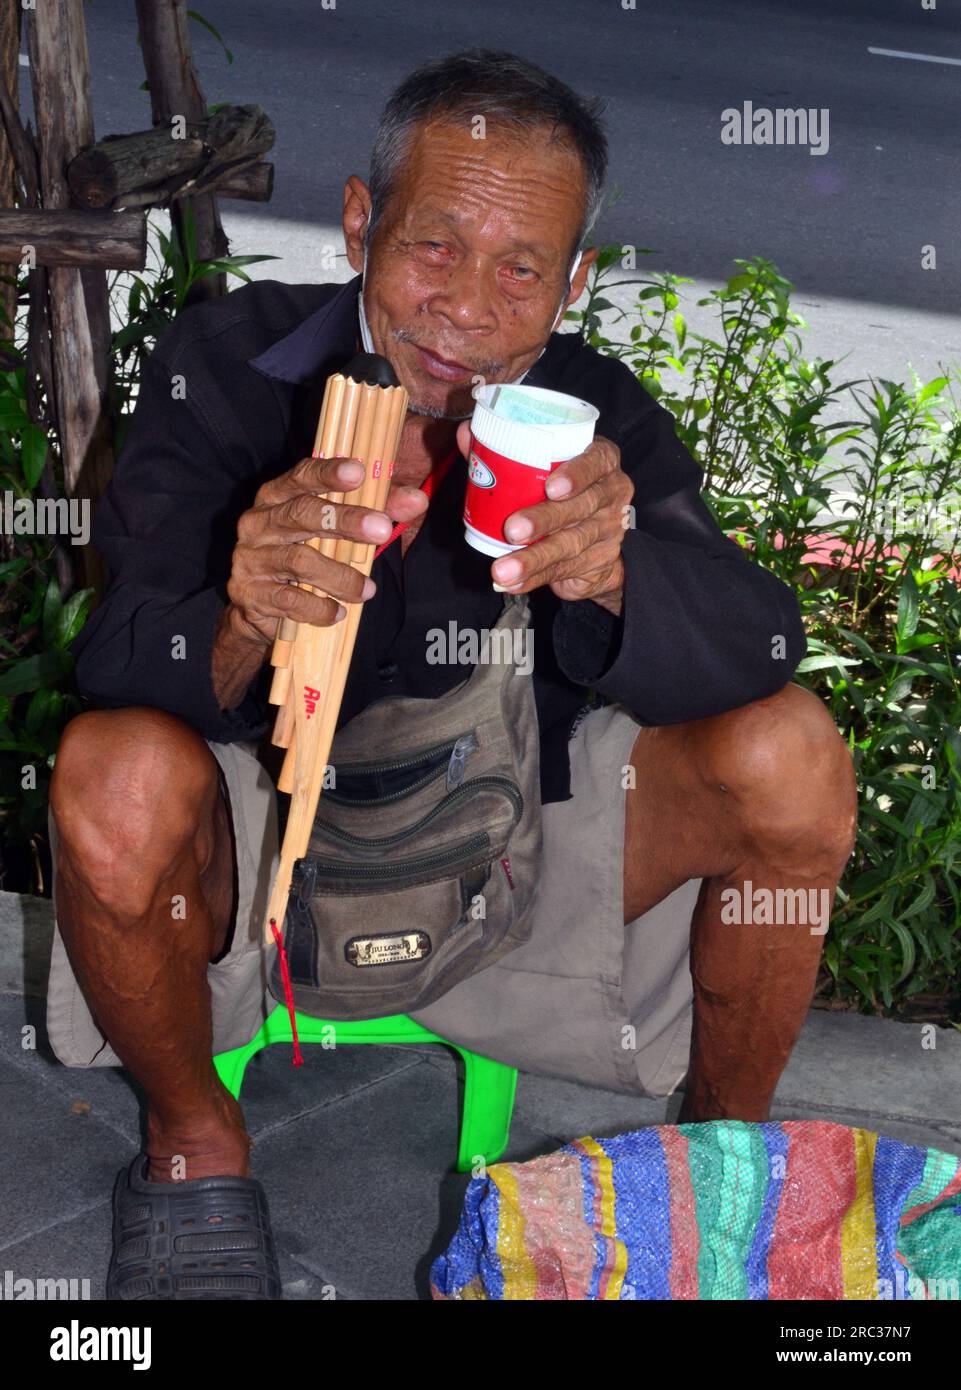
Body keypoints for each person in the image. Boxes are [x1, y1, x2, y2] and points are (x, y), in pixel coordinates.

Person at [47, 49, 857, 1300]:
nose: (470, 308)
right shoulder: (232, 361)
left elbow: (759, 643)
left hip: (513, 849)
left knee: (790, 753)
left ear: (573, 281)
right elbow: (113, 657)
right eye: (436, 246)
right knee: (110, 774)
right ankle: (192, 1146)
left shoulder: (588, 413)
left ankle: (708, 1162)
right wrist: (242, 607)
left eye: (523, 267)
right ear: (363, 224)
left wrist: (621, 566)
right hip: (259, 854)